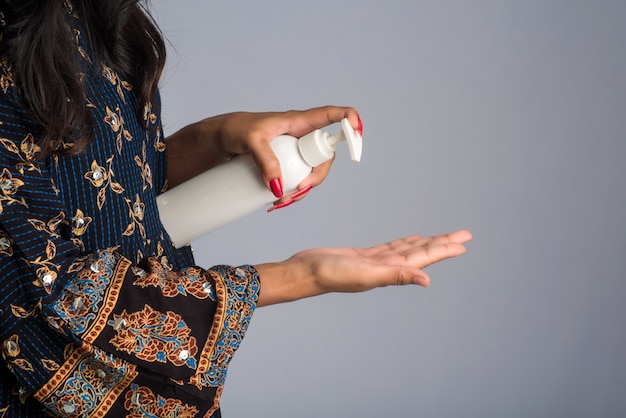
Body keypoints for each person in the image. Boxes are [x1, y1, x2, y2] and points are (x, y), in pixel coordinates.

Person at [0, 1, 471, 416]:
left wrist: (213, 138)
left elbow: (115, 194)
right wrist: (302, 275)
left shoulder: (96, 15)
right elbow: (52, 295)